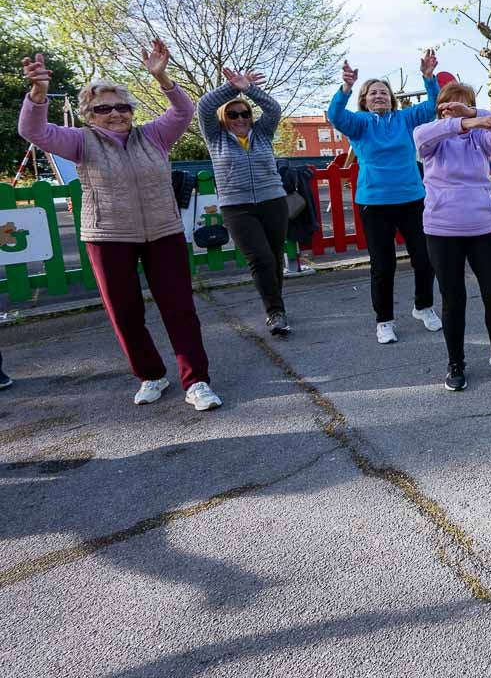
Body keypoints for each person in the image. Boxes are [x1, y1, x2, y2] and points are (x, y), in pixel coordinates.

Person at [18, 41, 222, 411]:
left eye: (122, 106)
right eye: (104, 108)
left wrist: (161, 76)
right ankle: (151, 375)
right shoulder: (80, 141)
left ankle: (197, 381)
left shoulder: (154, 136)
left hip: (163, 232)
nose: (115, 113)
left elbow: (183, 111)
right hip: (107, 236)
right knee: (125, 313)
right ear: (88, 114)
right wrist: (39, 93)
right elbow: (35, 132)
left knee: (179, 309)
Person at [327, 50, 444, 344]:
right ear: (364, 99)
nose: (379, 96)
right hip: (375, 203)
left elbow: (433, 105)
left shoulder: (404, 119)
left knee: (424, 258)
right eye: (373, 93)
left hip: (411, 199)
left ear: (391, 98)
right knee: (383, 265)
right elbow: (335, 116)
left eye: (384, 92)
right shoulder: (360, 124)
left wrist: (429, 77)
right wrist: (345, 88)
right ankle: (384, 321)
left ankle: (423, 306)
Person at [414, 84, 491, 390]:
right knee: (453, 299)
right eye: (449, 104)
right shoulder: (431, 138)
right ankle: (456, 362)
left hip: (482, 229)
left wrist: (474, 116)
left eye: (463, 105)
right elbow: (421, 137)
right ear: (439, 108)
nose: (455, 109)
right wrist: (460, 121)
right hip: (441, 230)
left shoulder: (481, 141)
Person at [197, 67, 291, 336]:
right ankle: (274, 311)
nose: (240, 118)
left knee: (273, 257)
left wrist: (249, 88)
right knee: (260, 258)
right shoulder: (215, 138)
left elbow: (273, 108)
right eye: (233, 114)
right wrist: (233, 88)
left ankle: (277, 308)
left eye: (245, 113)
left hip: (272, 200)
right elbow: (204, 105)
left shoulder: (262, 133)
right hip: (237, 207)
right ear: (223, 118)